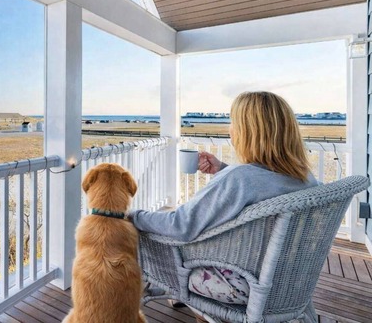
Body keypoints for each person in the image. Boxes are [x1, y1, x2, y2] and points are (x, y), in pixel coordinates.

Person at [128, 91, 318, 319]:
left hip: (242, 285)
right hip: (289, 280)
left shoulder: (239, 179)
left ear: (248, 132)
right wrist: (222, 169)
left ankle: (163, 290)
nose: (230, 129)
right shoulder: (305, 177)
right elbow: (261, 183)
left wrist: (133, 215)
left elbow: (180, 225)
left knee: (144, 238)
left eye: (233, 122)